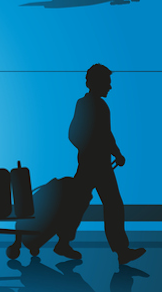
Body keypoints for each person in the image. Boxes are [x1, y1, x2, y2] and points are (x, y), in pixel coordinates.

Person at [62, 63, 145, 265]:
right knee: (110, 204)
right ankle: (121, 250)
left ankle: (64, 242)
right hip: (95, 165)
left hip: (96, 164)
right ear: (97, 83)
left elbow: (101, 135)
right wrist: (100, 151)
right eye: (107, 82)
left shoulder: (94, 104)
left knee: (82, 204)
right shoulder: (91, 105)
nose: (110, 87)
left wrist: (113, 153)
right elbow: (79, 134)